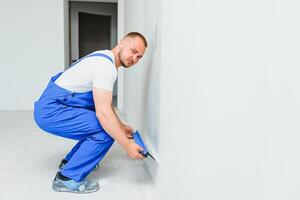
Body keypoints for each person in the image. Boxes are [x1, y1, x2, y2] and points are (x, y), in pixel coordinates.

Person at [33, 32, 147, 193]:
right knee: (106, 131)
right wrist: (127, 144)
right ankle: (68, 178)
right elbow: (103, 113)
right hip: (52, 110)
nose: (134, 58)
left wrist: (120, 126)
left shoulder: (103, 57)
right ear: (122, 43)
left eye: (139, 57)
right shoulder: (106, 67)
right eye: (133, 51)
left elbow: (104, 104)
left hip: (53, 106)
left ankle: (70, 163)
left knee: (109, 126)